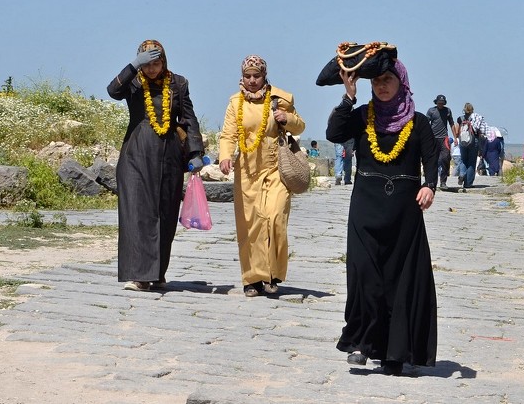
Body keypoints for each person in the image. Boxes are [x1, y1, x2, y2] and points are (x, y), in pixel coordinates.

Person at [326, 60, 438, 376]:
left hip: (404, 213)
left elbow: (431, 160)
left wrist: (429, 186)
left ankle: (394, 354)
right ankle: (360, 343)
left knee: (399, 282)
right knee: (364, 275)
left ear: (401, 83)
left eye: (388, 80)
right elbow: (334, 133)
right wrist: (348, 96)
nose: (382, 86)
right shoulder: (362, 117)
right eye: (376, 82)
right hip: (365, 207)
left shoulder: (418, 123)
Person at [108, 40, 204, 292]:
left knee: (165, 212)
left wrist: (196, 152)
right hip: (136, 155)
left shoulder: (178, 83)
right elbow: (113, 91)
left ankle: (158, 272)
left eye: (156, 63)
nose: (151, 69)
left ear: (164, 61)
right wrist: (133, 66)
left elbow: (189, 118)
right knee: (137, 214)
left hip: (169, 155)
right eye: (146, 64)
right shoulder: (134, 82)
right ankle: (139, 274)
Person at [218, 55, 306, 298]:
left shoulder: (280, 98)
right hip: (247, 171)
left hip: (276, 167)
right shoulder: (235, 103)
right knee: (252, 224)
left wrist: (286, 119)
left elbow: (300, 126)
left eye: (257, 76)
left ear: (264, 76)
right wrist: (225, 155)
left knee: (276, 216)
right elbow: (228, 135)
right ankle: (253, 279)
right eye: (248, 76)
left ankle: (273, 273)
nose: (252, 80)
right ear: (242, 77)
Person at [425, 94, 455, 189]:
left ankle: (443, 182)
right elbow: (426, 123)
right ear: (436, 102)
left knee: (445, 158)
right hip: (433, 138)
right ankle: (432, 182)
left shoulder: (447, 111)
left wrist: (455, 138)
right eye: (439, 103)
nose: (440, 105)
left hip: (444, 138)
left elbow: (452, 123)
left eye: (442, 103)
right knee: (432, 160)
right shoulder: (431, 111)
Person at [455, 103, 486, 191]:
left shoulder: (460, 118)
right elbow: (480, 132)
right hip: (474, 141)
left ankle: (461, 174)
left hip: (463, 141)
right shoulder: (475, 118)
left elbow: (457, 132)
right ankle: (468, 184)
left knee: (463, 160)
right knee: (471, 162)